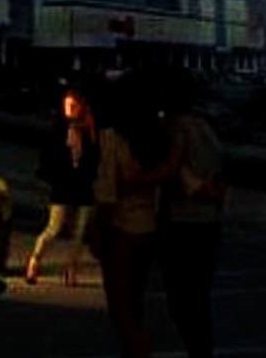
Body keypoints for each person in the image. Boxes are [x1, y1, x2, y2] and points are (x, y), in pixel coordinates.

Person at [94, 72, 171, 358]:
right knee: (135, 303)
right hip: (148, 227)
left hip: (120, 230)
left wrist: (97, 233)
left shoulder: (112, 138)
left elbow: (107, 195)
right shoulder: (158, 137)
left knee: (121, 310)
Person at [158, 73, 226, 358]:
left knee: (181, 298)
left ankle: (198, 349)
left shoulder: (175, 129)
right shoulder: (207, 128)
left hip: (182, 220)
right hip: (208, 221)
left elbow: (176, 174)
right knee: (199, 296)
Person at [25, 87, 99, 285]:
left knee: (80, 232)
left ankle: (71, 268)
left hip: (83, 185)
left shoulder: (88, 128)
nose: (70, 110)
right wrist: (53, 176)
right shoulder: (58, 129)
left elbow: (95, 157)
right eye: (67, 106)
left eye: (74, 106)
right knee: (54, 227)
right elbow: (49, 157)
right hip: (63, 186)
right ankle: (35, 260)